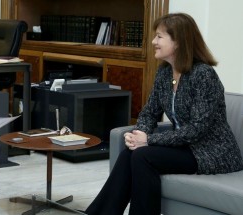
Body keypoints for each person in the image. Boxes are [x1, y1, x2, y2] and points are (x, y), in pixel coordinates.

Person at [85, 13, 243, 215]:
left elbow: (197, 129)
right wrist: (138, 135)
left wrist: (149, 140)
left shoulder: (203, 75)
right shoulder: (164, 73)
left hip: (212, 152)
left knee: (144, 156)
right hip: (186, 147)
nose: (153, 41)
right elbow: (149, 112)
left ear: (178, 41)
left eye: (159, 37)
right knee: (131, 154)